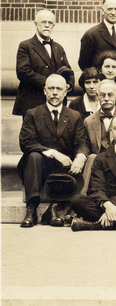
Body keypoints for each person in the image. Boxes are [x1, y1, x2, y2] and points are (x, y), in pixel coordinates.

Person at [18, 74, 90, 228]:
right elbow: (27, 142)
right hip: (39, 166)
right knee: (33, 156)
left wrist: (81, 156)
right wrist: (53, 153)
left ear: (65, 92)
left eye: (59, 89)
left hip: (63, 169)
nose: (55, 92)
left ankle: (53, 208)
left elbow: (82, 142)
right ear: (45, 91)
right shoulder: (32, 114)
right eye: (51, 88)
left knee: (76, 163)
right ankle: (31, 209)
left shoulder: (74, 116)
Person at [14, 9, 74, 116]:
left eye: (50, 23)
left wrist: (68, 84)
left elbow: (68, 70)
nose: (47, 25)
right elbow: (23, 72)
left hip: (56, 102)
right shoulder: (26, 46)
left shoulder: (58, 48)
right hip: (33, 101)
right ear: (36, 24)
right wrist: (49, 83)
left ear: (53, 26)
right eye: (43, 22)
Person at [79, 0, 116, 83]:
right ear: (102, 11)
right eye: (109, 9)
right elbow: (84, 63)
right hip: (100, 84)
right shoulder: (91, 34)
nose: (113, 12)